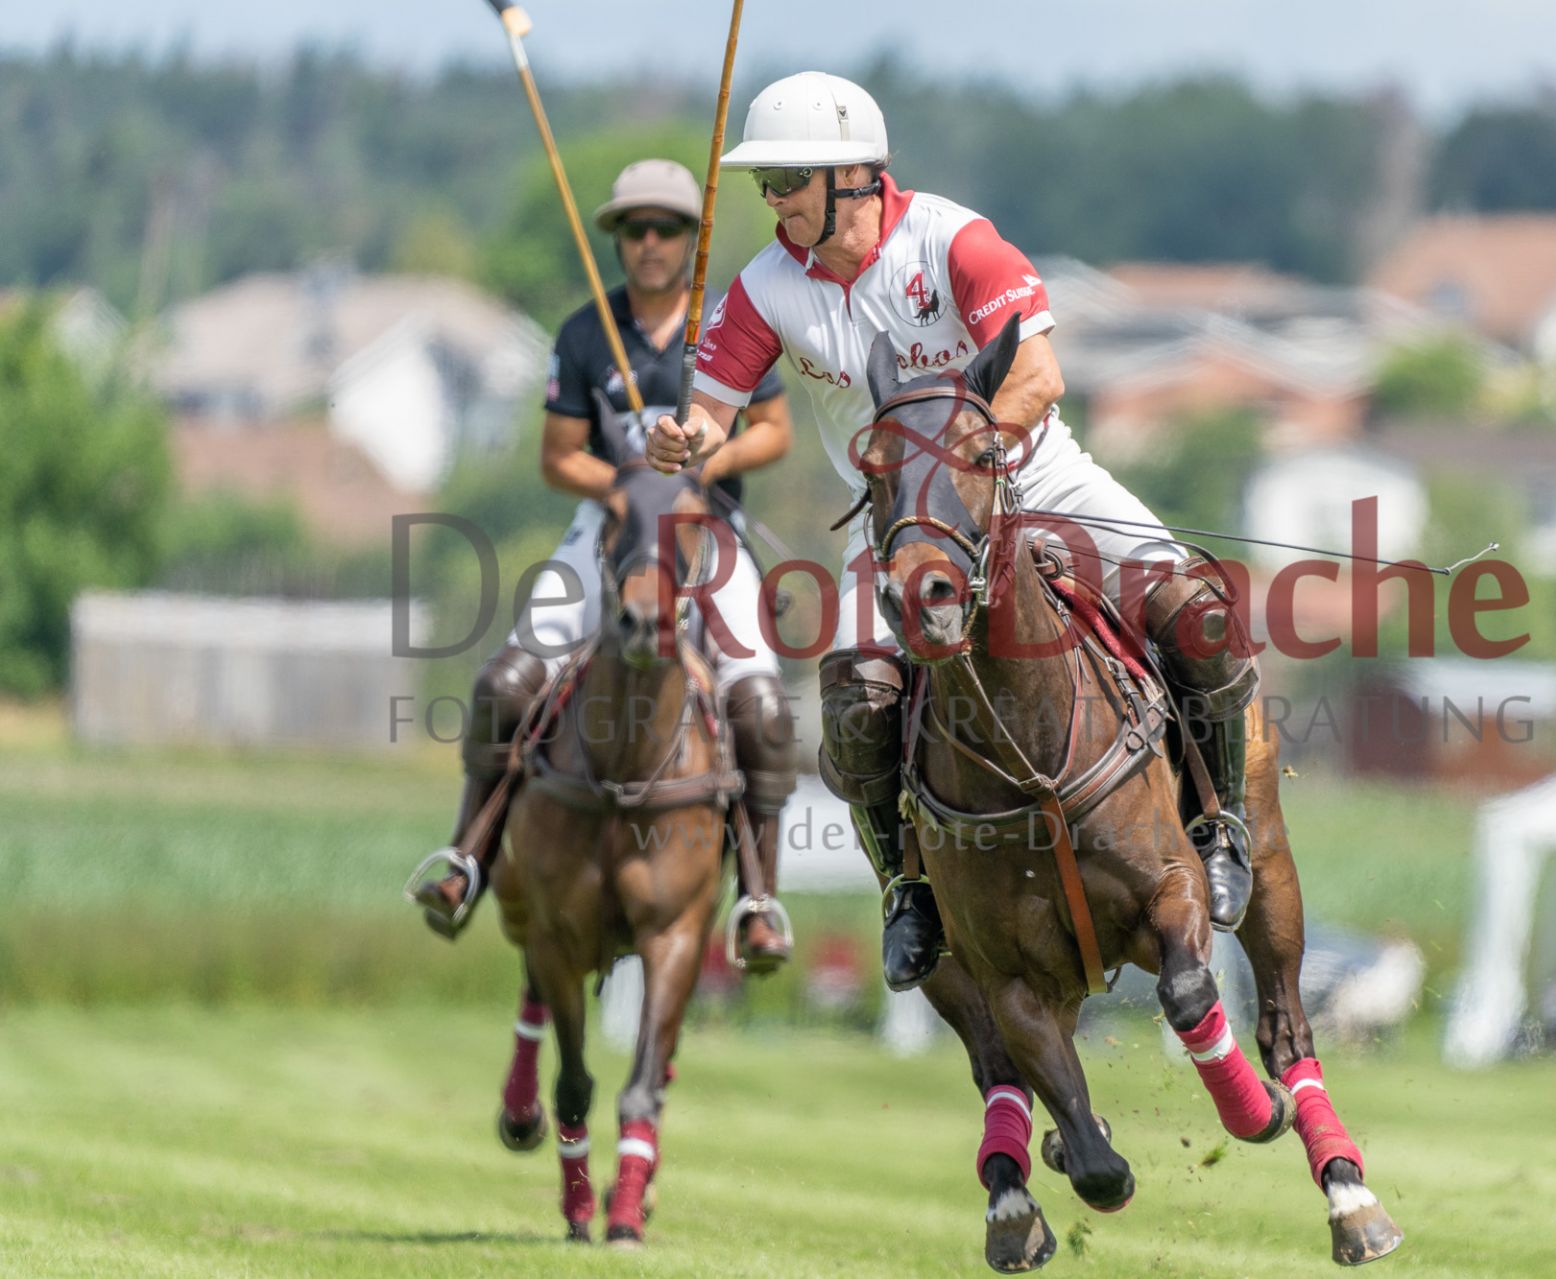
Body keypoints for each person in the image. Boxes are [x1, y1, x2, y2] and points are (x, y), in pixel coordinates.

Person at [647, 72, 1259, 991]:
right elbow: (710, 415)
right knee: (856, 703)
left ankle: (1220, 825)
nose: (771, 199)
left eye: (787, 180)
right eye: (764, 183)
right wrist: (684, 439)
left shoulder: (953, 240)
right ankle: (907, 886)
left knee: (1196, 612)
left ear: (852, 176)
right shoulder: (764, 287)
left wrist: (964, 467)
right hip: (896, 519)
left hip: (1033, 475)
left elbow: (1039, 375)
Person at [411, 158, 799, 970]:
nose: (650, 242)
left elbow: (773, 432)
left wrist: (706, 464)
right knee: (504, 684)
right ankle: (468, 855)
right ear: (619, 240)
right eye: (635, 228)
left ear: (692, 239)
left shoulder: (730, 327)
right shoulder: (586, 333)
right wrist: (625, 483)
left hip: (707, 533)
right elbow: (558, 456)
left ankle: (759, 897)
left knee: (762, 707)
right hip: (611, 532)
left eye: (667, 228)